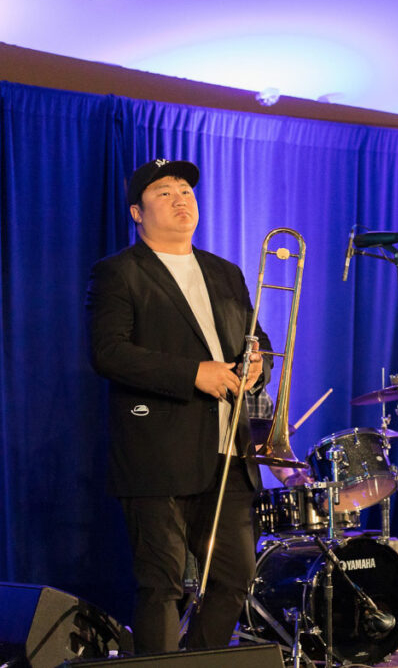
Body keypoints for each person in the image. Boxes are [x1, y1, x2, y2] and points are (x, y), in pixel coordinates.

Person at [87, 159, 274, 653]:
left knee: (235, 576)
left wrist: (257, 367)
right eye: (165, 192)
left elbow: (259, 343)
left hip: (226, 451)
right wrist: (194, 373)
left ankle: (195, 663)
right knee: (162, 584)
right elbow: (108, 352)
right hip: (156, 452)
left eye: (187, 191)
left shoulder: (225, 272)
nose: (182, 199)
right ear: (136, 212)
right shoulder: (119, 273)